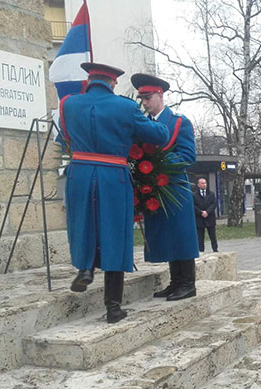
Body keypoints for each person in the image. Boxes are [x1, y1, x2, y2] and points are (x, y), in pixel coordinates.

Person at [60, 62, 169, 323]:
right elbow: (159, 136)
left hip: (80, 172)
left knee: (82, 223)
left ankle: (85, 268)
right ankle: (113, 307)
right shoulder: (126, 107)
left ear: (89, 79)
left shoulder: (68, 104)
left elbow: (66, 134)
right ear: (113, 83)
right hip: (112, 174)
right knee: (114, 234)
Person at [131, 73, 200, 301]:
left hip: (175, 187)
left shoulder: (179, 122)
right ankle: (175, 282)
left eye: (148, 97)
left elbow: (188, 156)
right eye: (142, 98)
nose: (145, 102)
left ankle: (188, 283)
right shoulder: (145, 124)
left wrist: (158, 165)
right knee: (168, 236)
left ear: (159, 95)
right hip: (154, 189)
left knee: (181, 235)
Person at [193, 177, 218, 253]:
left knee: (212, 235)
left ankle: (215, 249)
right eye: (202, 183)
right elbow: (193, 206)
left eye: (205, 183)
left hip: (209, 217)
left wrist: (207, 212)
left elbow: (213, 204)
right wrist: (201, 212)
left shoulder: (211, 194)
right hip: (200, 219)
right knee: (200, 237)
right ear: (198, 185)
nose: (204, 185)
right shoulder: (194, 195)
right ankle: (201, 250)